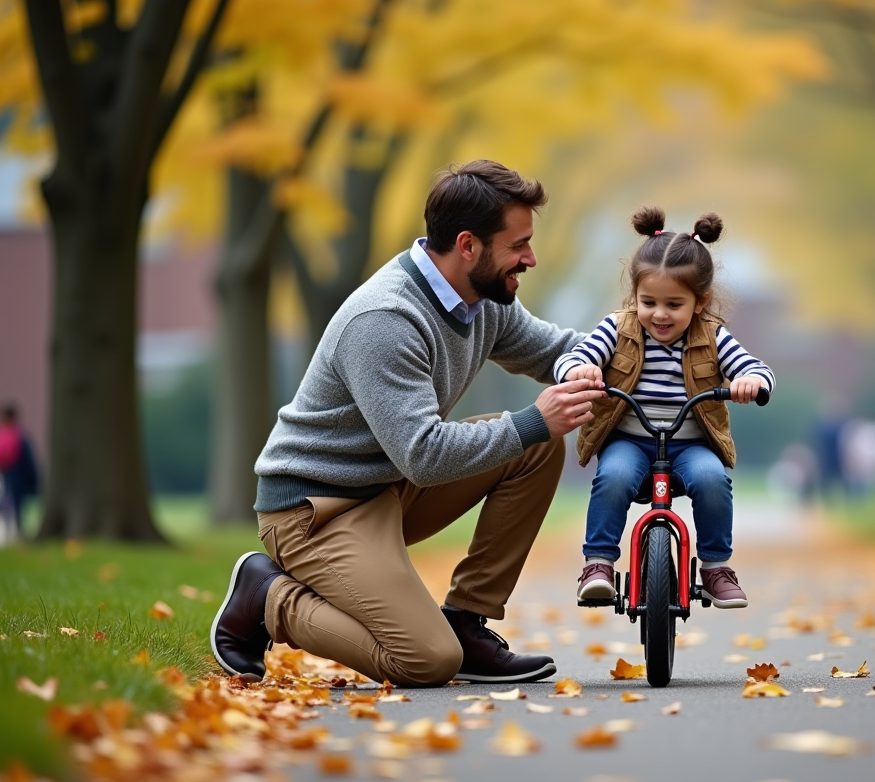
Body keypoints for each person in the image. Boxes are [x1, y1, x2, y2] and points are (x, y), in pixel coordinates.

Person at [210, 161, 605, 687]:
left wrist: (590, 362)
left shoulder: (480, 299)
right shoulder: (386, 320)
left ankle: (466, 621)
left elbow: (555, 348)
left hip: (388, 488)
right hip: (316, 511)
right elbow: (423, 454)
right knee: (425, 660)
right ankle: (266, 598)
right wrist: (537, 419)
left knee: (536, 448)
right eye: (518, 245)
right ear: (468, 246)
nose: (530, 258)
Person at [555, 207, 775, 608]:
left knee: (712, 480)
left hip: (692, 444)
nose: (659, 314)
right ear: (634, 296)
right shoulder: (617, 327)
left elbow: (754, 367)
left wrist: (751, 382)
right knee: (614, 476)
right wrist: (580, 369)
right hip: (630, 440)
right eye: (648, 301)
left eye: (674, 304)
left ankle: (715, 568)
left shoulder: (713, 336)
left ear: (699, 301)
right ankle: (598, 563)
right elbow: (574, 356)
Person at [0, 404, 39, 541]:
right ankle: (16, 531)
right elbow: (29, 461)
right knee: (16, 504)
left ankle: (15, 531)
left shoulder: (9, 436)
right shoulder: (21, 436)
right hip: (14, 476)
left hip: (10, 475)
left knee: (11, 503)